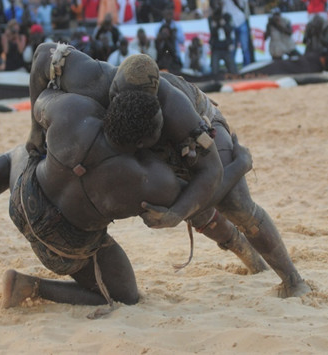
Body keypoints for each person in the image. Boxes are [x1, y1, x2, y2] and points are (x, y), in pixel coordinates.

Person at [0, 87, 263, 313]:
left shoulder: (72, 111)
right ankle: (30, 286)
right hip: (67, 248)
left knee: (16, 156)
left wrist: (39, 137)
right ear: (144, 145)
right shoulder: (147, 179)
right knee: (126, 296)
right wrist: (241, 164)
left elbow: (42, 79)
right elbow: (206, 194)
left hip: (24, 202)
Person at [27, 45, 311, 297]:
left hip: (199, 129)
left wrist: (177, 213)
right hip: (138, 139)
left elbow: (210, 173)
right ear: (113, 91)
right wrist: (35, 129)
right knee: (193, 207)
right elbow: (42, 56)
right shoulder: (91, 77)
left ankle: (292, 279)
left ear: (154, 104)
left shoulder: (178, 112)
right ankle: (249, 256)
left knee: (234, 204)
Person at [216, 0, 252, 68]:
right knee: (232, 47)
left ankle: (247, 67)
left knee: (245, 46)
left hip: (241, 19)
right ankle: (232, 69)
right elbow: (218, 2)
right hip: (229, 22)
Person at [208, 0, 238, 76]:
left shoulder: (227, 16)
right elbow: (212, 32)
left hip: (226, 46)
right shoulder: (211, 18)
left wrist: (223, 24)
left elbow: (230, 29)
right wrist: (215, 25)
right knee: (214, 71)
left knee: (233, 70)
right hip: (216, 47)